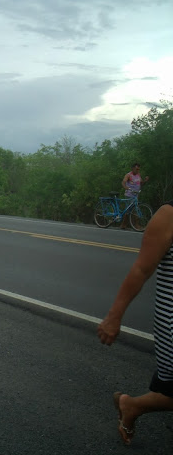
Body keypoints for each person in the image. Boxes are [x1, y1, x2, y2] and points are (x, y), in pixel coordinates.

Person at [97, 202, 173, 445]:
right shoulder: (169, 215)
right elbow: (141, 269)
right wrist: (114, 316)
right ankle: (133, 406)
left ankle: (132, 406)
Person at [120, 163, 149, 229]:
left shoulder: (138, 175)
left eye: (138, 169)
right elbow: (123, 182)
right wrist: (126, 187)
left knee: (133, 210)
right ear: (132, 168)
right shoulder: (128, 175)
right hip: (129, 195)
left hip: (135, 195)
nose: (137, 170)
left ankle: (123, 225)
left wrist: (145, 180)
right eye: (136, 169)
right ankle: (135, 225)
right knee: (132, 210)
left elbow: (141, 184)